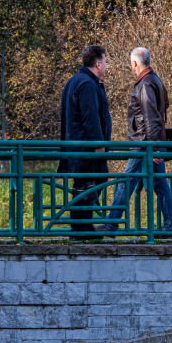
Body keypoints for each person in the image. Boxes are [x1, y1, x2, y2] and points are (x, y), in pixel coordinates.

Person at [105, 47, 172, 232]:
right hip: (153, 142)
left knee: (126, 182)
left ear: (134, 63)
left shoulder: (145, 84)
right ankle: (171, 226)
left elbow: (150, 116)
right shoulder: (156, 80)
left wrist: (152, 147)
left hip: (144, 144)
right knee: (160, 184)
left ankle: (110, 224)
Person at [58, 44, 112, 237]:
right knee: (90, 184)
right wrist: (98, 144)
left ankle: (83, 227)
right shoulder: (87, 84)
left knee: (84, 186)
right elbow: (91, 117)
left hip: (77, 147)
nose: (106, 65)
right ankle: (80, 229)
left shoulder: (75, 81)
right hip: (86, 148)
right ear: (97, 64)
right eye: (105, 61)